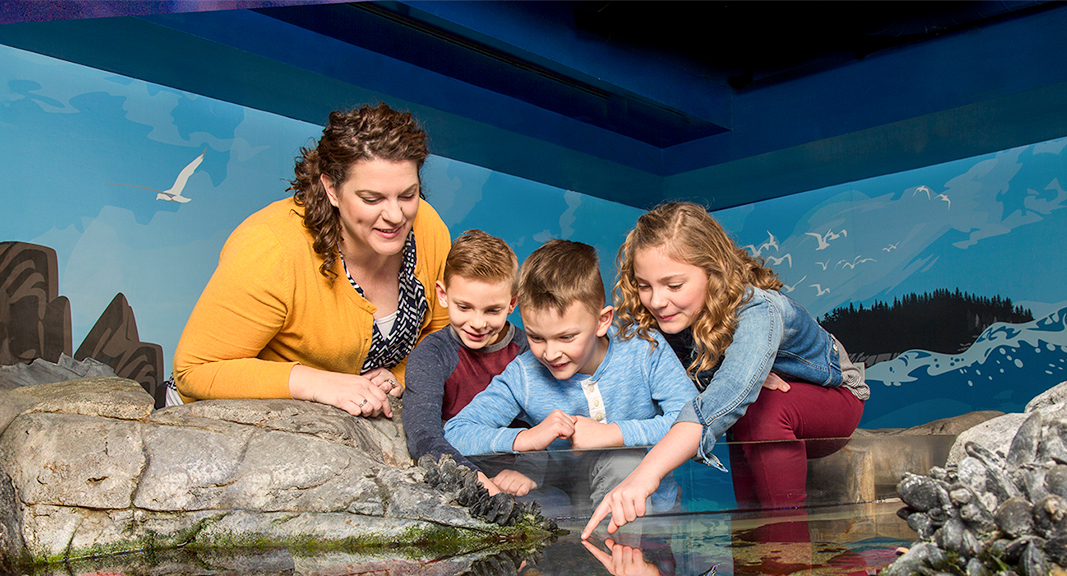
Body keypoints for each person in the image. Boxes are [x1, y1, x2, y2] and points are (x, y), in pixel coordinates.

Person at [582, 202, 868, 538]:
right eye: (645, 286)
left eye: (674, 286)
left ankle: (790, 549)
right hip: (754, 418)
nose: (657, 301)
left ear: (714, 272)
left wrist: (645, 475)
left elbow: (723, 398)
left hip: (834, 401)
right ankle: (749, 561)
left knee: (761, 407)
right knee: (746, 419)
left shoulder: (759, 309)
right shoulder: (666, 321)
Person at [173, 104, 449, 416]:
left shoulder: (429, 228)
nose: (396, 216)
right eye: (372, 199)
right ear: (331, 188)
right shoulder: (271, 247)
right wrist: (317, 384)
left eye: (407, 195)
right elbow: (195, 370)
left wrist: (399, 377)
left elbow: (440, 339)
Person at [444, 239, 698, 515]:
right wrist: (526, 439)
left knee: (621, 460)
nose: (551, 353)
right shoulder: (524, 374)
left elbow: (695, 420)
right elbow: (457, 433)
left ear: (602, 321)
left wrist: (611, 434)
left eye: (566, 337)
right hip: (571, 517)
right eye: (536, 337)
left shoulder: (644, 348)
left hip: (651, 515)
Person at [401, 230, 534, 496]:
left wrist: (531, 471)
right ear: (443, 295)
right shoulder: (432, 354)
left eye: (492, 310)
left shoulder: (529, 351)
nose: (477, 323)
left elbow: (550, 425)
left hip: (522, 477)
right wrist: (473, 477)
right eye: (464, 307)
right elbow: (423, 435)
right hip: (457, 476)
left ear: (512, 303)